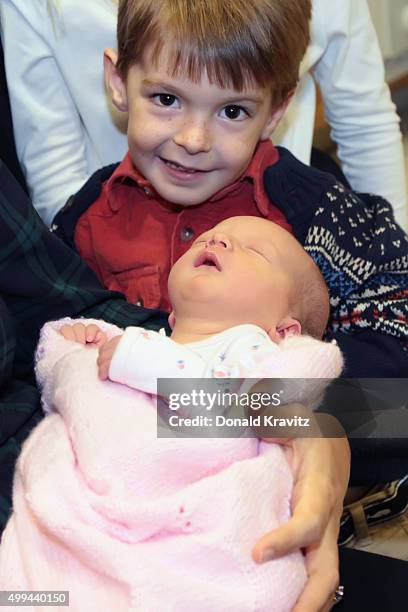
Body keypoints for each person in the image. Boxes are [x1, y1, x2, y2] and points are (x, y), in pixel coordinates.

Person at [0, 216, 344, 612]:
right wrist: (71, 348)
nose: (217, 239)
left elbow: (243, 414)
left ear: (284, 330)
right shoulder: (130, 342)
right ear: (174, 318)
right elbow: (68, 391)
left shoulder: (256, 353)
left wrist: (146, 362)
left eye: (254, 250)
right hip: (79, 526)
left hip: (193, 538)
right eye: (209, 237)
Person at [0, 0, 406, 229]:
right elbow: (55, 175)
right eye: (165, 98)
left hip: (274, 219)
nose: (193, 140)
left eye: (231, 109)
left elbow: (364, 124)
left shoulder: (318, 219)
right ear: (118, 81)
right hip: (115, 235)